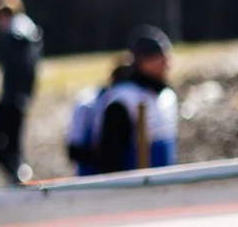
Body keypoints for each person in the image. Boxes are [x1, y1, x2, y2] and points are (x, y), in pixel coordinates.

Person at [73, 27, 177, 174]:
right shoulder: (123, 99)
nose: (166, 65)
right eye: (160, 59)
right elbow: (110, 155)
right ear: (144, 62)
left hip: (162, 181)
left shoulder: (165, 95)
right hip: (135, 183)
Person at [0, 0, 43, 184]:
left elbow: (22, 64)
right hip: (19, 95)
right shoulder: (25, 28)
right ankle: (17, 175)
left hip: (13, 96)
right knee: (12, 145)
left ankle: (19, 175)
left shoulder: (17, 31)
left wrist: (17, 92)